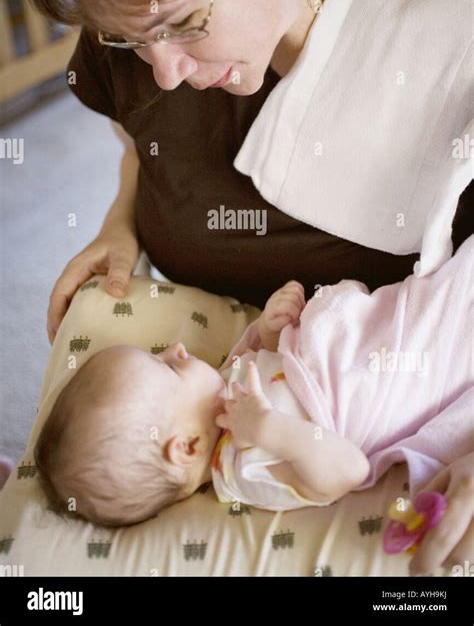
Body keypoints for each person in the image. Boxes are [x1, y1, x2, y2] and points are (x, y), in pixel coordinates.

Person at [23, 0, 473, 341]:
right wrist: (119, 224)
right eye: (126, 39)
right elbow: (137, 150)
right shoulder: (130, 14)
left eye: (185, 23)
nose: (165, 73)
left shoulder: (450, 44)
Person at [35, 238, 473, 579]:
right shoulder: (247, 468)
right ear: (186, 447)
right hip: (392, 377)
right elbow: (346, 471)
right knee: (453, 318)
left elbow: (260, 358)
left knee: (448, 290)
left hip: (365, 337)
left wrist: (268, 329)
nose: (177, 348)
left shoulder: (219, 391)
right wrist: (269, 429)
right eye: (166, 367)